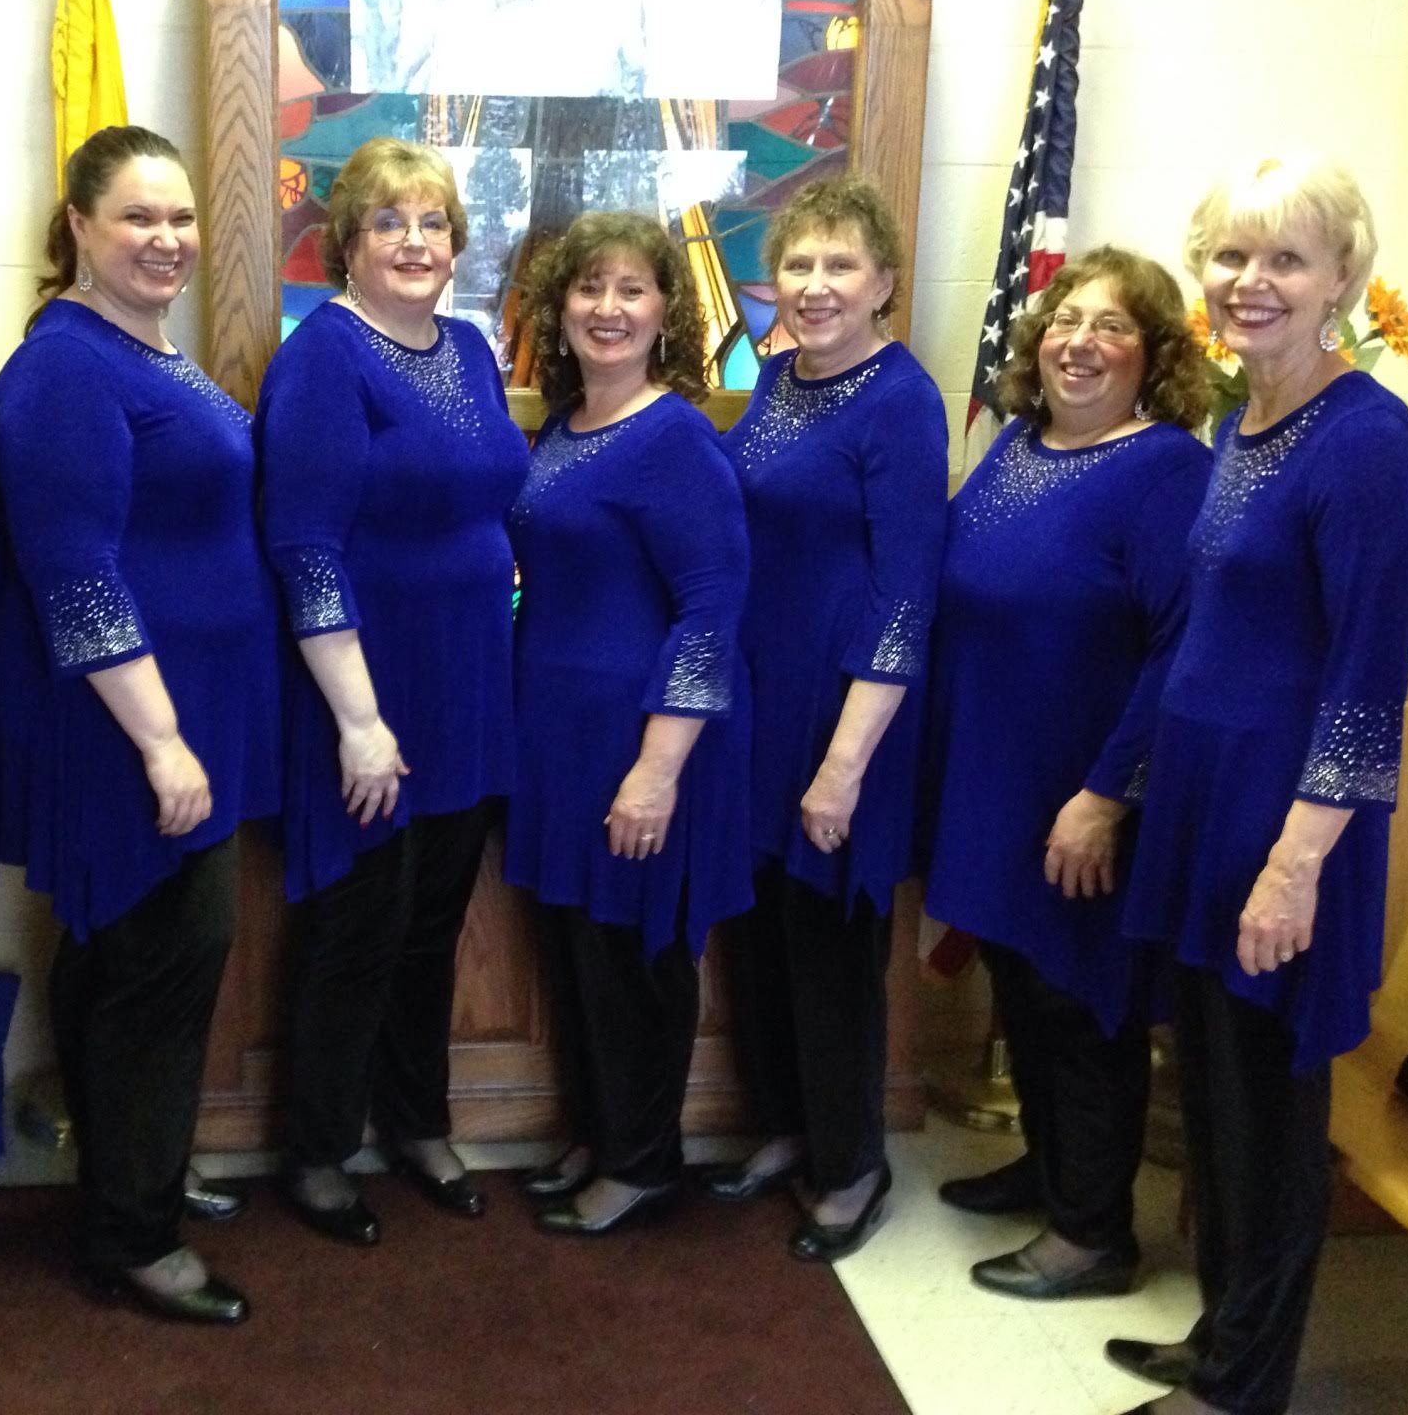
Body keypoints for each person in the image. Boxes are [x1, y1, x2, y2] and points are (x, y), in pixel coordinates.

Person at [1103, 157, 1408, 1415]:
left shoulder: (1363, 439)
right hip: (1203, 810)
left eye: (1284, 260)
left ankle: (1245, 1387)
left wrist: (1294, 868)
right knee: (1214, 1098)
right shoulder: (1240, 422)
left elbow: (1363, 676)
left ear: (1344, 277)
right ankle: (1218, 1337)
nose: (1250, 283)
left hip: (1281, 830)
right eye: (1231, 258)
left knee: (1268, 1121)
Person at [0, 125, 278, 1325]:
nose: (165, 241)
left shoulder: (147, 349)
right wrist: (161, 742)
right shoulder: (64, 368)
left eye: (177, 219)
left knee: (121, 965)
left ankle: (127, 1179)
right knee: (162, 967)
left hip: (187, 703)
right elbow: (76, 575)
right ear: (78, 228)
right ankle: (134, 1235)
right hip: (129, 723)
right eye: (136, 220)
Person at [917, 247, 1213, 1299]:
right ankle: (1049, 1169)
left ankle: (1092, 1236)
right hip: (992, 781)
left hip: (1079, 792)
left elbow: (1181, 645)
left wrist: (1102, 797)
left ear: (1154, 357)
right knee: (1022, 987)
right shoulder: (1017, 448)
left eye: (1111, 328)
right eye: (1064, 321)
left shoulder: (1168, 471)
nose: (1078, 343)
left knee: (1081, 1004)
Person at [257, 136, 528, 1244]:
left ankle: (417, 1123)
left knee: (430, 930)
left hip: (468, 681)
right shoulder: (320, 358)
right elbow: (305, 548)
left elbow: (491, 504)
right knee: (354, 931)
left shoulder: (466, 348)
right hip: (363, 690)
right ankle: (316, 1148)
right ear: (345, 246)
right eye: (388, 223)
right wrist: (360, 723)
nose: (415, 242)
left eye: (432, 223)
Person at [503, 211, 752, 1236]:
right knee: (576, 953)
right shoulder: (563, 428)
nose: (608, 309)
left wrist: (654, 771)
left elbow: (710, 609)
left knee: (635, 960)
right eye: (588, 289)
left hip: (641, 739)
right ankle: (601, 1131)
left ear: (664, 312)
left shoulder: (673, 437)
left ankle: (643, 1162)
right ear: (559, 309)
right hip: (556, 735)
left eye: (632, 290)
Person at [713, 176, 948, 1261]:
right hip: (760, 700)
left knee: (829, 947)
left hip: (839, 708)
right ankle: (787, 1125)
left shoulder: (900, 399)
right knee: (759, 933)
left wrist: (844, 765)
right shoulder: (775, 381)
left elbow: (906, 595)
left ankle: (852, 1165)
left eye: (837, 266)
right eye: (797, 265)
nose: (812, 287)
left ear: (883, 284)